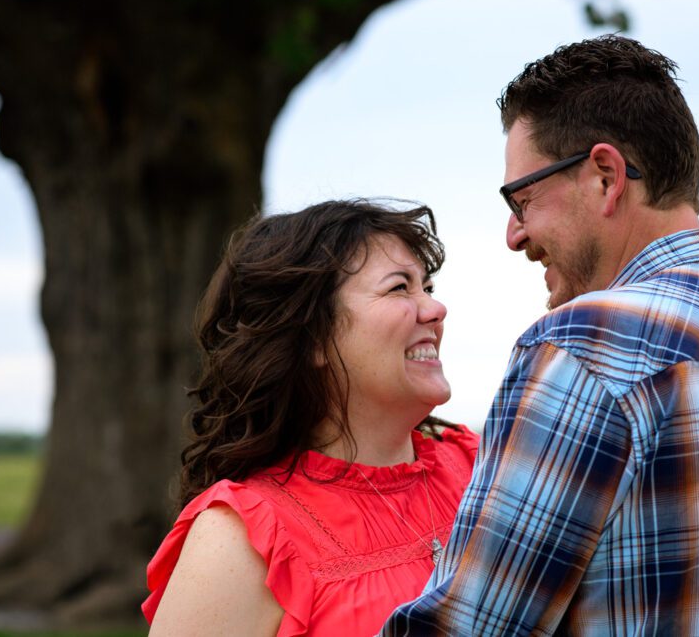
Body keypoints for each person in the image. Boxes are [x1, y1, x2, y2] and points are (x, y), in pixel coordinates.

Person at [383, 35, 699, 635]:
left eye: (522, 198)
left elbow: (467, 628)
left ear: (605, 176)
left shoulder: (583, 348)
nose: (514, 234)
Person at [142, 200, 478, 636]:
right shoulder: (243, 539)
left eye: (427, 288)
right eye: (399, 288)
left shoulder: (481, 468)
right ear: (312, 337)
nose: (435, 310)